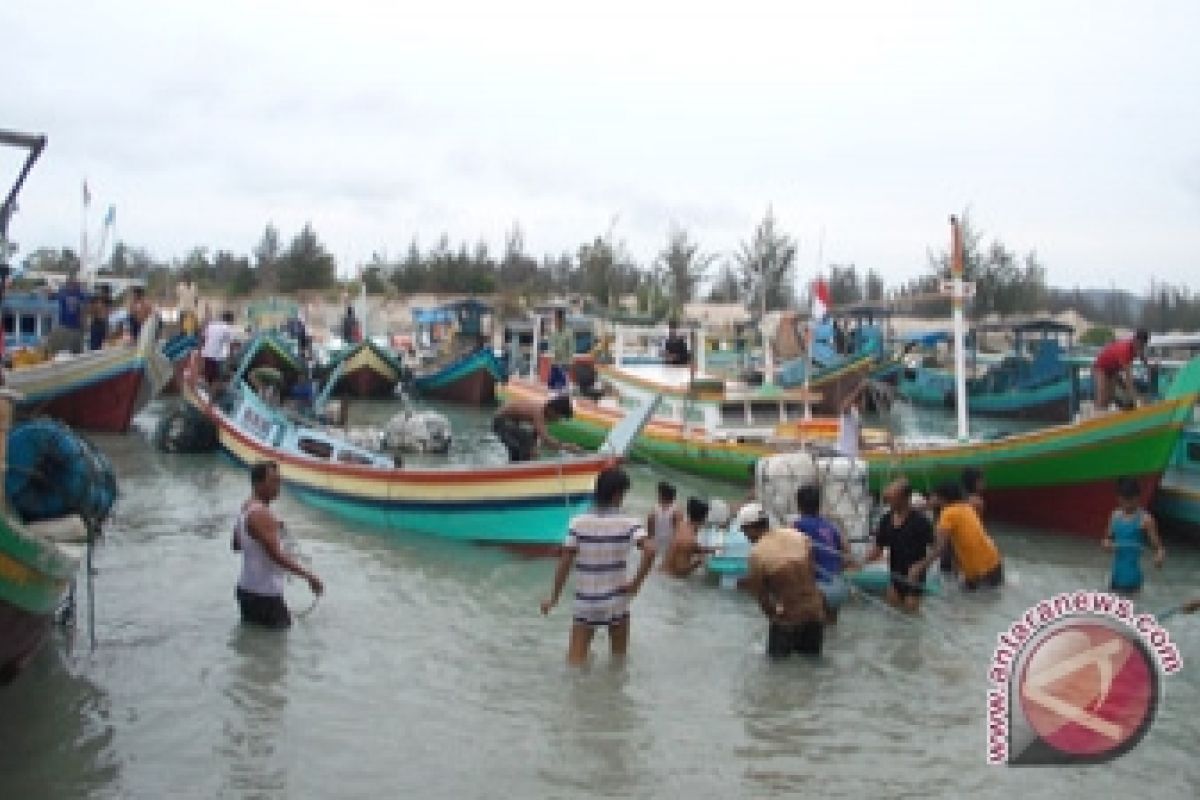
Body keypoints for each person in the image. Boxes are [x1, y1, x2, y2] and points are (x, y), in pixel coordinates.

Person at [540, 467, 656, 665]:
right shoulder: (629, 523)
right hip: (616, 601)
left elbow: (565, 562)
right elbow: (651, 550)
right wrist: (636, 585)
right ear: (617, 494)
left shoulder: (578, 523)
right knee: (618, 661)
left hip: (587, 601)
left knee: (575, 664)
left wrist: (554, 598)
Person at [231, 462, 323, 628]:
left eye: (279, 481)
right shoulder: (262, 514)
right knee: (278, 651)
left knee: (256, 647)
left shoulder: (245, 508)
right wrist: (309, 576)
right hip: (266, 596)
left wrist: (269, 531)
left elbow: (237, 545)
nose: (278, 486)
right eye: (273, 481)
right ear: (258, 484)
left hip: (246, 591)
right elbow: (276, 557)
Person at [738, 502, 826, 658]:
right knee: (811, 665)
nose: (745, 536)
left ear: (750, 528)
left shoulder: (757, 554)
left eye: (744, 531)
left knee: (776, 671)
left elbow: (762, 598)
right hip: (815, 614)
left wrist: (774, 617)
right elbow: (811, 572)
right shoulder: (798, 536)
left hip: (788, 619)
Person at [908, 481, 1004, 591]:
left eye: (933, 495)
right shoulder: (965, 507)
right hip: (994, 562)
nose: (930, 498)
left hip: (978, 570)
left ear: (942, 498)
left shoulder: (947, 514)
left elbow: (939, 548)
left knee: (973, 601)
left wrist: (919, 567)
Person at [863, 478, 936, 613]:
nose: (888, 502)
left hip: (914, 578)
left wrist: (920, 566)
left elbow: (937, 549)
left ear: (904, 498)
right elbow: (877, 550)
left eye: (892, 499)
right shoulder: (886, 520)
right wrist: (860, 563)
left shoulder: (920, 522)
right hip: (895, 577)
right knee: (893, 619)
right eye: (888, 498)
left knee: (911, 616)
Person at [793, 483, 850, 622]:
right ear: (818, 504)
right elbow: (846, 553)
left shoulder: (799, 525)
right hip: (838, 586)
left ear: (799, 504)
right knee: (831, 630)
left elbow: (795, 557)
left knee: (815, 634)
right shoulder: (829, 526)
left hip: (819, 588)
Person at [1102, 476, 1165, 594]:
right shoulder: (1115, 516)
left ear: (1137, 498)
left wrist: (1159, 557)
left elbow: (1159, 548)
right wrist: (1107, 545)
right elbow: (1107, 539)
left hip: (1133, 577)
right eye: (1123, 500)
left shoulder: (1145, 520)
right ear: (1119, 498)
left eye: (1129, 500)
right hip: (1115, 575)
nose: (1126, 504)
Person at [492, 394, 582, 462]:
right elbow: (547, 440)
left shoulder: (545, 413)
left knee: (526, 450)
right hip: (501, 422)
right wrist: (567, 446)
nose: (558, 420)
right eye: (559, 417)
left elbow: (539, 436)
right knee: (524, 443)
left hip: (512, 423)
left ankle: (520, 470)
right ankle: (516, 471)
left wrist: (534, 447)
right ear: (553, 410)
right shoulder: (539, 412)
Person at [1092, 328, 1150, 410]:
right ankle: (1098, 416)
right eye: (1139, 345)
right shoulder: (1125, 350)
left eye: (1142, 346)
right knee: (1102, 396)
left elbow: (1142, 357)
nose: (1140, 348)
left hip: (1113, 369)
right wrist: (1136, 399)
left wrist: (1149, 365)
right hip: (1101, 367)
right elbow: (1128, 380)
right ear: (1135, 340)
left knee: (1110, 396)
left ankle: (1106, 413)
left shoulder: (1139, 348)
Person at [661, 497, 714, 578]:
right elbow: (680, 571)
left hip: (662, 572)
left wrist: (711, 550)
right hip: (670, 580)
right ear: (704, 519)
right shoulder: (689, 540)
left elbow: (686, 547)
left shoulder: (681, 525)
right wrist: (698, 562)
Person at [647, 481, 683, 559]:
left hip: (655, 546)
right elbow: (678, 534)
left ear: (661, 495)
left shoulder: (654, 510)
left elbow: (650, 534)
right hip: (669, 547)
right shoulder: (677, 511)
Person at [201, 311, 237, 386]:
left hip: (207, 354)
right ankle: (212, 395)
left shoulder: (211, 325)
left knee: (208, 377)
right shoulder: (228, 328)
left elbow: (203, 338)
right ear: (230, 320)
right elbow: (232, 345)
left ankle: (207, 393)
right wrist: (232, 358)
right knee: (217, 378)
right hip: (218, 357)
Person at [54, 275, 87, 353]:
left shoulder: (81, 294)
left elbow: (85, 309)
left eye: (74, 283)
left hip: (77, 327)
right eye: (70, 283)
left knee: (77, 351)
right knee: (63, 349)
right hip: (64, 326)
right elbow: (52, 296)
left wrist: (84, 323)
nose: (72, 285)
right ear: (67, 283)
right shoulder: (62, 292)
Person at [547, 308, 574, 392]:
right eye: (553, 319)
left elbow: (571, 349)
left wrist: (569, 363)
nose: (554, 321)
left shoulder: (568, 333)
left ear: (561, 319)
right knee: (552, 388)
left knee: (563, 389)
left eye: (555, 319)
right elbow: (550, 347)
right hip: (554, 364)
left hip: (564, 364)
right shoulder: (553, 333)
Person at [837, 382, 867, 458]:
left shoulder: (858, 415)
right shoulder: (848, 411)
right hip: (843, 453)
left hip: (854, 454)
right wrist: (859, 388)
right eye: (862, 400)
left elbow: (860, 439)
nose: (864, 403)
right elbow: (845, 404)